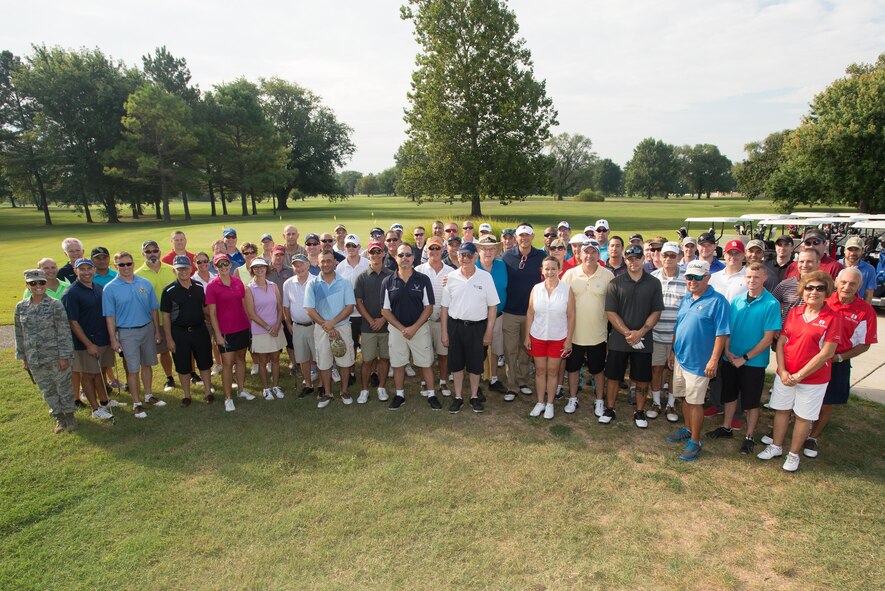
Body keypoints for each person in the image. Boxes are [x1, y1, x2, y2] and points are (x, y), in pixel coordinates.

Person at [758, 271, 841, 472]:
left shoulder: (833, 318)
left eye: (819, 288)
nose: (814, 292)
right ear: (802, 291)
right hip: (786, 375)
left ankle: (793, 455)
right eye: (809, 288)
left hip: (813, 379)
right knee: (782, 410)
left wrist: (799, 376)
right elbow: (782, 342)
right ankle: (776, 446)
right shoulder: (795, 313)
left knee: (804, 416)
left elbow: (826, 353)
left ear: (827, 292)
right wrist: (784, 371)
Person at [705, 262, 781, 454]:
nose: (752, 280)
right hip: (731, 358)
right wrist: (727, 351)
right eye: (748, 277)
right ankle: (726, 427)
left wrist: (745, 358)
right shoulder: (737, 300)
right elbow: (727, 330)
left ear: (764, 278)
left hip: (753, 362)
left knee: (751, 402)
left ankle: (749, 436)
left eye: (756, 277)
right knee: (729, 395)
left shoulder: (771, 304)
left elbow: (768, 338)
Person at [804, 267, 878, 458]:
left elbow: (865, 344)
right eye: (843, 282)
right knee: (805, 396)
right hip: (811, 358)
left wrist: (839, 357)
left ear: (859, 286)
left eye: (852, 284)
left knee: (828, 402)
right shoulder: (823, 299)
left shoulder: (865, 311)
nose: (847, 287)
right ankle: (797, 426)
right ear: (836, 282)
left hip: (838, 361)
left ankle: (812, 437)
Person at [665, 260, 730, 461]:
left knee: (695, 403)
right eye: (689, 277)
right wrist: (673, 352)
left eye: (697, 277)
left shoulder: (718, 302)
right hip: (681, 359)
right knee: (684, 397)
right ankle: (687, 428)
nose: (692, 281)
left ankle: (695, 441)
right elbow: (679, 327)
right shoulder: (686, 299)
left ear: (707, 278)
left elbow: (722, 334)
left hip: (700, 363)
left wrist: (713, 360)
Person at [602, 244, 664, 427]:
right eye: (630, 258)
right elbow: (611, 312)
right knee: (613, 376)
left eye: (637, 258)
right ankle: (610, 408)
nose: (634, 261)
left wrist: (641, 332)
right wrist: (628, 333)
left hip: (644, 339)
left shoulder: (653, 283)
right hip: (619, 339)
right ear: (625, 259)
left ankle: (639, 412)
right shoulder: (616, 282)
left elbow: (656, 312)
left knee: (642, 378)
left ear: (643, 259)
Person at [103, 251, 164, 419]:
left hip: (147, 329)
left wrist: (157, 331)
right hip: (127, 333)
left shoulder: (144, 283)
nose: (126, 267)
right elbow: (109, 316)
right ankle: (137, 403)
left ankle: (149, 395)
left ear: (133, 264)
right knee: (133, 369)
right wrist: (113, 339)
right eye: (121, 265)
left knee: (147, 364)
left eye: (128, 263)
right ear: (116, 267)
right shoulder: (110, 288)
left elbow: (153, 308)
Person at [15, 268, 77, 433]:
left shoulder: (55, 305)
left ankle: (70, 416)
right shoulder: (21, 307)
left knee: (63, 387)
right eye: (33, 283)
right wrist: (23, 357)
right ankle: (59, 418)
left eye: (41, 282)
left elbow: (63, 332)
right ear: (27, 285)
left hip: (56, 356)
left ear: (45, 283)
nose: (38, 286)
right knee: (47, 389)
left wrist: (64, 356)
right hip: (35, 357)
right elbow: (19, 333)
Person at [441, 242, 500, 413]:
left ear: (475, 257)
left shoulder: (485, 277)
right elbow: (445, 308)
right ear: (457, 256)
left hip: (477, 328)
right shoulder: (450, 277)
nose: (465, 258)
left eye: (469, 255)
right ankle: (458, 396)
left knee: (475, 365)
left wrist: (488, 331)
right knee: (456, 364)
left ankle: (474, 396)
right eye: (462, 255)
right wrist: (445, 332)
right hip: (455, 326)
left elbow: (493, 307)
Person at [381, 244, 440, 410]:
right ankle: (399, 395)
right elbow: (384, 310)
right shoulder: (388, 281)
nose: (404, 258)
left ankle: (431, 394)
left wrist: (414, 327)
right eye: (401, 255)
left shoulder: (423, 279)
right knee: (398, 364)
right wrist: (401, 328)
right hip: (397, 330)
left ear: (413, 258)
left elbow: (428, 307)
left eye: (408, 255)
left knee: (426, 363)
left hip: (419, 329)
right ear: (396, 258)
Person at [62, 258, 118, 420]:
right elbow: (72, 322)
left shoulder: (97, 287)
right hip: (86, 343)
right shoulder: (71, 293)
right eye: (82, 269)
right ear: (76, 271)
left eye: (89, 268)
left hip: (102, 339)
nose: (86, 272)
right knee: (88, 375)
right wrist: (88, 344)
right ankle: (95, 408)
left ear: (94, 270)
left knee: (100, 372)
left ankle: (104, 402)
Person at [561, 239, 612, 416]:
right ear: (580, 254)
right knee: (573, 368)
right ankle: (573, 398)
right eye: (586, 252)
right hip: (574, 334)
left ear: (599, 255)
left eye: (593, 252)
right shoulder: (570, 275)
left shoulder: (607, 275)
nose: (589, 256)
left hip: (598, 333)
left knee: (597, 370)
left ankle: (599, 400)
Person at [304, 250, 356, 408]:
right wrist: (325, 325)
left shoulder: (344, 282)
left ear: (335, 262)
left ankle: (344, 391)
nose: (325, 264)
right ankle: (328, 393)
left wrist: (332, 323)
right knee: (324, 362)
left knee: (345, 361)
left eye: (328, 261)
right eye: (322, 261)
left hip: (342, 327)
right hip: (321, 329)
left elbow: (350, 306)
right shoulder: (313, 283)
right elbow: (309, 309)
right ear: (318, 263)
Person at [525, 256, 575, 420]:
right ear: (542, 270)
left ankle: (550, 404)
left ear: (560, 270)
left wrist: (568, 340)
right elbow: (530, 313)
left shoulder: (567, 290)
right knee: (540, 371)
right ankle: (540, 402)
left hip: (558, 337)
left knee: (553, 372)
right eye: (547, 268)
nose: (550, 271)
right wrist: (527, 336)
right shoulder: (536, 288)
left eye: (553, 268)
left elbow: (572, 316)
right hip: (538, 335)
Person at [161, 256, 214, 407]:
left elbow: (204, 308)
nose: (183, 271)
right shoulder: (168, 291)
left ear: (191, 269)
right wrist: (169, 339)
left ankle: (208, 392)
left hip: (199, 330)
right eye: (179, 269)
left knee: (204, 362)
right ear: (174, 270)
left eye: (185, 268)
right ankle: (186, 395)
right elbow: (165, 317)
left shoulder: (198, 287)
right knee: (183, 365)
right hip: (179, 333)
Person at [206, 253, 255, 412]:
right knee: (227, 364)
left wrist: (250, 325)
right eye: (220, 264)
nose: (224, 267)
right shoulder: (212, 286)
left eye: (226, 263)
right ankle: (228, 397)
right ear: (215, 267)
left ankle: (241, 390)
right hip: (225, 331)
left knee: (241, 359)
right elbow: (212, 314)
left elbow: (244, 305)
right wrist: (218, 335)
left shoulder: (238, 282)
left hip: (242, 327)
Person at [501, 224, 545, 400]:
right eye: (521, 235)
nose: (524, 238)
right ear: (516, 237)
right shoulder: (507, 256)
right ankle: (512, 385)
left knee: (527, 349)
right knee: (510, 350)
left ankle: (523, 381)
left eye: (527, 235)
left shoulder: (541, 256)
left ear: (533, 236)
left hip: (532, 313)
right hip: (510, 311)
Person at [136, 240, 180, 392]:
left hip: (176, 318)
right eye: (148, 252)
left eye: (154, 251)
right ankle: (169, 377)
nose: (152, 254)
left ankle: (191, 373)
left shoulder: (172, 270)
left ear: (160, 252)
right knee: (164, 351)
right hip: (154, 321)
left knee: (182, 348)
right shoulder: (138, 275)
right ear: (143, 254)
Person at [649, 241, 686, 423]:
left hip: (678, 336)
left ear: (679, 257)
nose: (668, 259)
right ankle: (656, 402)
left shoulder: (688, 278)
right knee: (656, 369)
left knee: (673, 372)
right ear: (660, 257)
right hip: (656, 333)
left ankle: (671, 403)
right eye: (665, 255)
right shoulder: (653, 277)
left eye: (672, 256)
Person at [354, 241, 393, 403]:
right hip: (368, 327)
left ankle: (381, 387)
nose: (376, 255)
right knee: (368, 360)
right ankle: (364, 390)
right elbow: (359, 302)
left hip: (387, 325)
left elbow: (394, 301)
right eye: (372, 252)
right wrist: (371, 320)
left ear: (384, 253)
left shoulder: (392, 275)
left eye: (379, 252)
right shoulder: (362, 277)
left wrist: (383, 318)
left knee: (384, 358)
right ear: (368, 255)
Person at [415, 236, 453, 397]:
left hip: (442, 319)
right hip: (422, 320)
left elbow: (454, 296)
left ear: (443, 250)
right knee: (424, 353)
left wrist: (446, 316)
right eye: (431, 248)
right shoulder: (418, 270)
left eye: (438, 248)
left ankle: (443, 382)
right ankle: (424, 382)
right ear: (426, 250)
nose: (435, 251)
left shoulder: (451, 271)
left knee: (443, 354)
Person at [244, 257, 286, 401]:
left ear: (266, 269)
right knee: (262, 361)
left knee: (275, 359)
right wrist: (269, 327)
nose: (259, 269)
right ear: (252, 270)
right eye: (256, 268)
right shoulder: (249, 289)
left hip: (275, 328)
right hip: (261, 331)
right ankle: (266, 388)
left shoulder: (273, 285)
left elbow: (280, 307)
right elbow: (251, 314)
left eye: (262, 267)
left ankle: (275, 385)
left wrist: (277, 325)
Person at [282, 254, 318, 398]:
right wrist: (288, 323)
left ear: (308, 265)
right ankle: (308, 384)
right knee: (302, 358)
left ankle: (321, 385)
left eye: (301, 264)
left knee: (319, 357)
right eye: (296, 265)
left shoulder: (316, 282)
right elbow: (286, 306)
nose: (299, 268)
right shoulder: (288, 283)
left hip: (315, 325)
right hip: (297, 326)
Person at [476, 235, 508, 395]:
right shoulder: (472, 266)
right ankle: (479, 381)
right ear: (478, 250)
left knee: (495, 348)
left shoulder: (502, 266)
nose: (488, 252)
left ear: (496, 250)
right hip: (477, 318)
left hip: (498, 315)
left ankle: (493, 379)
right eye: (484, 248)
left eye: (491, 249)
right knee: (477, 350)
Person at [336, 234, 370, 354]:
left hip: (365, 312)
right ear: (344, 247)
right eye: (348, 245)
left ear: (359, 247)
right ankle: (350, 372)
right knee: (351, 345)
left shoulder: (368, 264)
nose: (351, 248)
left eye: (353, 245)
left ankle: (372, 371)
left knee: (368, 345)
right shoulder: (340, 268)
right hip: (348, 314)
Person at [267, 245, 295, 373]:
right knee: (273, 342)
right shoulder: (265, 270)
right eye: (276, 254)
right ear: (271, 254)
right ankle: (272, 364)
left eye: (281, 255)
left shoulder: (290, 271)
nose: (278, 257)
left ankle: (294, 363)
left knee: (291, 341)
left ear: (284, 256)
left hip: (287, 311)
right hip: (271, 313)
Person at [772, 249, 820, 323]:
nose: (804, 265)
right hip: (786, 332)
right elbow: (770, 306)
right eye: (801, 261)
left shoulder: (824, 287)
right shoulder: (785, 285)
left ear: (818, 263)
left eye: (809, 261)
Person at [840, 236, 876, 303]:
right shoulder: (836, 266)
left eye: (856, 250)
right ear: (844, 250)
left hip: (857, 309)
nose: (853, 253)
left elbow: (869, 293)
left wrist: (866, 311)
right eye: (850, 249)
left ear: (862, 251)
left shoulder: (869, 270)